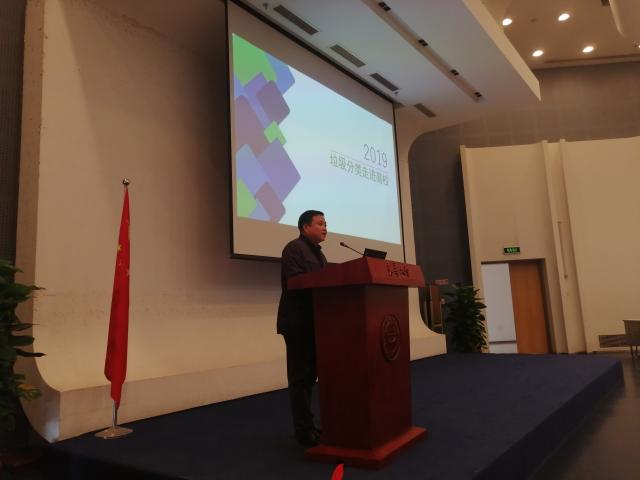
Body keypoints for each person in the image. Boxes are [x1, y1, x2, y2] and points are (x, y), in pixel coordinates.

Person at [277, 210, 328, 447]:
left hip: (315, 322)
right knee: (300, 378)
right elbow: (295, 281)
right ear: (305, 227)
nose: (325, 227)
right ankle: (303, 430)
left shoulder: (319, 254)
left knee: (310, 377)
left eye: (325, 224)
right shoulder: (293, 249)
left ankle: (310, 424)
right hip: (298, 322)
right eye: (320, 223)